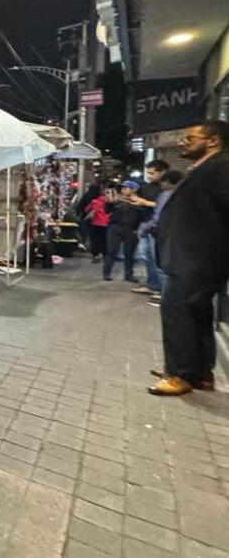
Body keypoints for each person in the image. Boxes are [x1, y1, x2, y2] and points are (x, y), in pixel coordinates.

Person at [148, 121, 229, 396]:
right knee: (196, 313)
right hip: (197, 256)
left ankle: (179, 374)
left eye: (190, 138)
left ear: (213, 141)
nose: (182, 142)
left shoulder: (220, 167)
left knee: (177, 309)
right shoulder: (207, 167)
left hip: (199, 256)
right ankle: (199, 372)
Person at [135, 170, 183, 307]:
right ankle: (160, 289)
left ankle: (164, 295)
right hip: (178, 234)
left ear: (167, 182)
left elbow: (158, 218)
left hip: (163, 234)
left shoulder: (166, 195)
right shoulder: (184, 194)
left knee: (161, 265)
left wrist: (143, 229)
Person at [129, 160, 169, 294]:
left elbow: (167, 205)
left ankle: (163, 290)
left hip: (158, 227)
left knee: (157, 258)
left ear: (163, 172)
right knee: (144, 256)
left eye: (152, 173)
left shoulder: (167, 188)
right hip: (144, 224)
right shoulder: (146, 187)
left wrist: (146, 203)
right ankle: (152, 285)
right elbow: (139, 203)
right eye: (147, 173)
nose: (149, 176)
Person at [102, 180, 143, 282]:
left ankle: (129, 274)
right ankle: (106, 273)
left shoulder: (139, 201)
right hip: (115, 226)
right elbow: (107, 211)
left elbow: (142, 215)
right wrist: (108, 203)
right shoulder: (116, 200)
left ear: (134, 189)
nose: (123, 190)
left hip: (131, 228)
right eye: (122, 188)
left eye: (126, 188)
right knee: (111, 251)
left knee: (129, 252)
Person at [84, 186, 109, 263]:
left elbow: (86, 210)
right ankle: (105, 256)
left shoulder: (94, 201)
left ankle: (95, 256)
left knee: (95, 240)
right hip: (106, 224)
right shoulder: (108, 202)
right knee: (105, 240)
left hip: (95, 223)